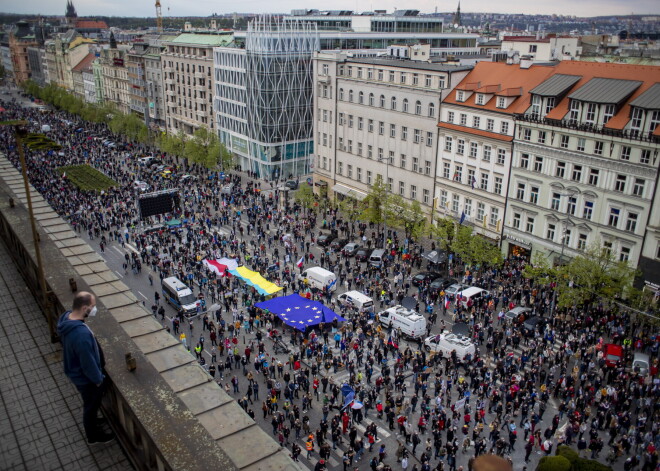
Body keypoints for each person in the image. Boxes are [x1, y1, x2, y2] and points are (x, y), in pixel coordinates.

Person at [57, 292, 115, 444]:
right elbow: (87, 363)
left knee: (91, 405)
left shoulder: (67, 318)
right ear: (84, 308)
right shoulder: (81, 334)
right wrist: (98, 380)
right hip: (87, 380)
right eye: (93, 306)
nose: (94, 309)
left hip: (76, 373)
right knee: (90, 406)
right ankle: (93, 436)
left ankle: (94, 421)